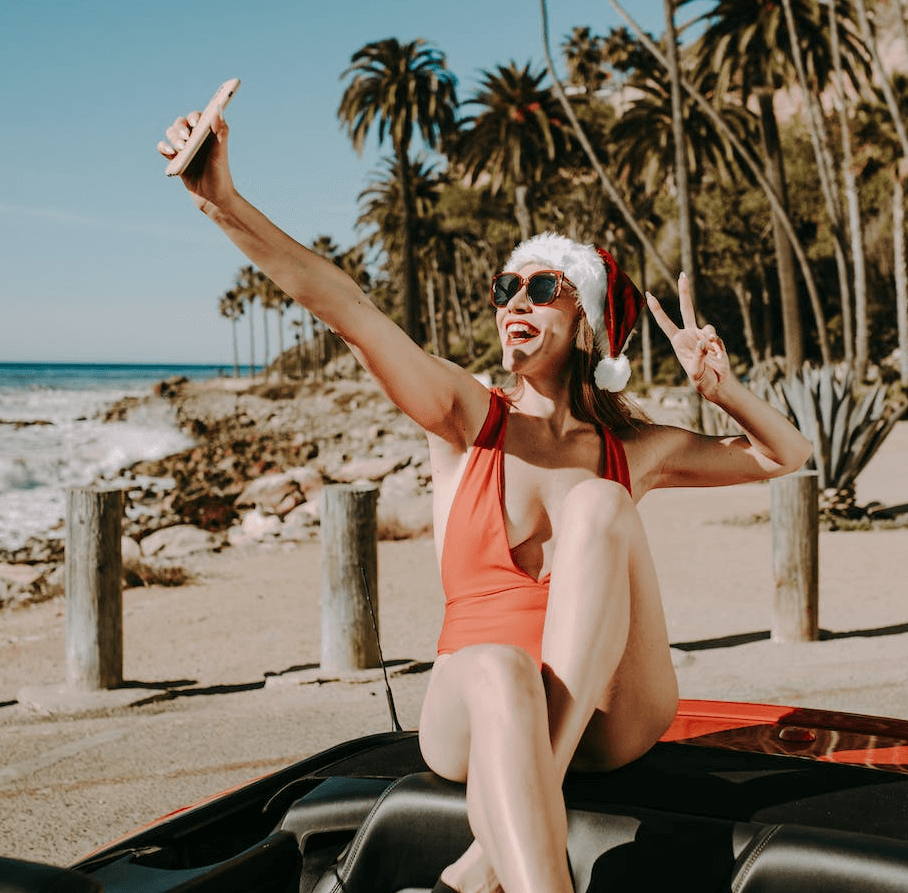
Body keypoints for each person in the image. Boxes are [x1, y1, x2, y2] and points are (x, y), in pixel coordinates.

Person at [158, 107, 812, 893]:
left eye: (542, 289)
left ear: (588, 326)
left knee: (603, 508)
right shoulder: (467, 418)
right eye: (507, 288)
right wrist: (222, 201)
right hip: (477, 708)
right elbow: (351, 311)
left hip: (610, 714)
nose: (515, 303)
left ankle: (512, 825)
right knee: (502, 665)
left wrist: (728, 392)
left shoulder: (631, 451)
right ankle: (520, 870)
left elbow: (787, 456)